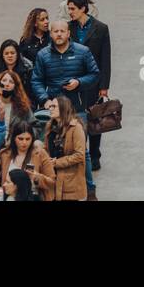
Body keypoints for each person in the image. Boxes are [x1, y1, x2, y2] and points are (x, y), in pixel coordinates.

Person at [31, 18, 101, 197]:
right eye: (55, 31)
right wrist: (45, 99)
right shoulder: (43, 55)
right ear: (51, 34)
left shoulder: (83, 52)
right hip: (53, 112)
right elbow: (36, 80)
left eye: (62, 31)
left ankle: (89, 188)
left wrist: (79, 82)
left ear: (69, 33)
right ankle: (54, 187)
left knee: (81, 152)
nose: (59, 34)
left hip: (76, 109)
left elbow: (94, 74)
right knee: (52, 149)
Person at [67, 0, 111, 172]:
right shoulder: (69, 28)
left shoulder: (101, 29)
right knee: (75, 119)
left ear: (83, 8)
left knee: (94, 119)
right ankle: (79, 153)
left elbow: (105, 59)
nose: (70, 12)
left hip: (93, 81)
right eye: (68, 9)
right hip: (74, 82)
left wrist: (104, 86)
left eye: (72, 9)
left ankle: (94, 154)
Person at [43, 95, 88, 201]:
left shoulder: (76, 127)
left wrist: (56, 162)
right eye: (50, 106)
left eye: (54, 106)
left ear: (63, 108)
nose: (50, 108)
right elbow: (46, 148)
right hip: (53, 177)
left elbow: (80, 155)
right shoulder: (50, 126)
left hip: (70, 182)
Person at [1, 119, 55, 201]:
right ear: (14, 138)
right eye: (20, 139)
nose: (24, 142)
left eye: (27, 139)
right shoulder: (5, 154)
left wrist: (36, 177)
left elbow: (52, 182)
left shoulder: (40, 154)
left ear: (32, 138)